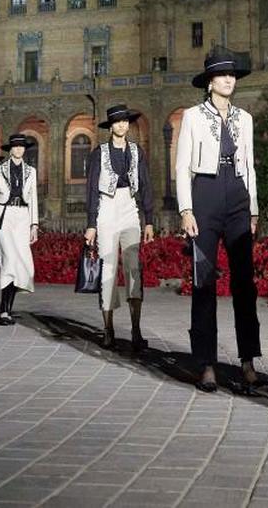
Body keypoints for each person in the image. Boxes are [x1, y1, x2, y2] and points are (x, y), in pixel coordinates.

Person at [176, 49, 262, 393]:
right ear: (210, 81)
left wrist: (253, 208)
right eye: (222, 75)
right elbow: (182, 165)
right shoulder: (193, 116)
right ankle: (207, 363)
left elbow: (250, 166)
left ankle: (248, 360)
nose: (229, 80)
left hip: (238, 197)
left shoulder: (245, 118)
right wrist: (186, 210)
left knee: (245, 284)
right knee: (204, 281)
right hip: (206, 195)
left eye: (233, 75)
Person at [85, 105, 155, 352]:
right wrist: (91, 224)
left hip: (130, 209)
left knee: (134, 268)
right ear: (111, 126)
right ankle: (108, 329)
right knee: (108, 268)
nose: (122, 125)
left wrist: (149, 220)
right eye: (117, 122)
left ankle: (136, 330)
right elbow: (92, 189)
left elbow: (145, 184)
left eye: (125, 121)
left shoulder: (137, 151)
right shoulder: (99, 153)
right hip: (106, 208)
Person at [0, 133, 39, 326]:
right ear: (10, 149)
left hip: (23, 217)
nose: (18, 149)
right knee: (9, 261)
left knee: (22, 263)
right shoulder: (0, 170)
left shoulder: (31, 171)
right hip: (4, 216)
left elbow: (33, 197)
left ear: (25, 149)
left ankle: (8, 308)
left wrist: (34, 224)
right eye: (15, 146)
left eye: (21, 146)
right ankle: (4, 311)